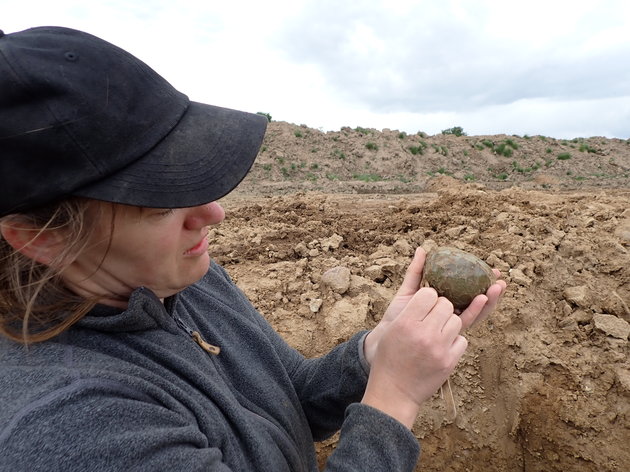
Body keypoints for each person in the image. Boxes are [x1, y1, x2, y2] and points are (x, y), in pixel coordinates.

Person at [0, 26, 506, 471]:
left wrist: (377, 352)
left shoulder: (177, 276)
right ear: (44, 239)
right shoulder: (74, 427)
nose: (212, 214)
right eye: (159, 204)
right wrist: (391, 403)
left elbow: (293, 401)